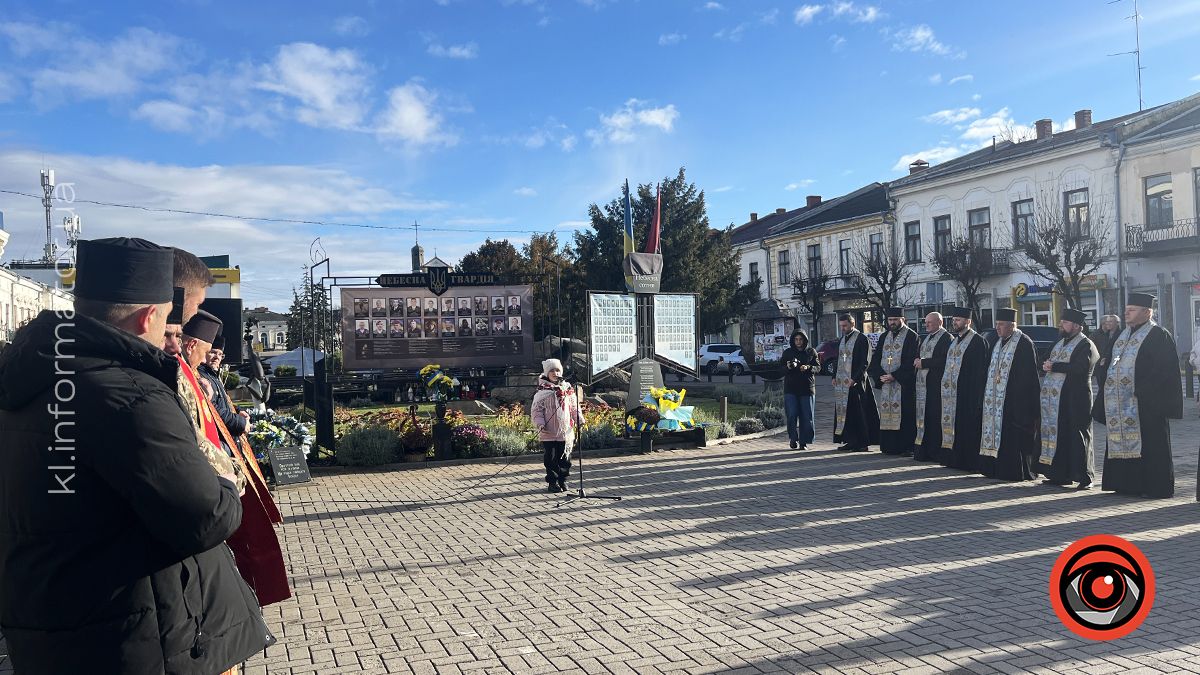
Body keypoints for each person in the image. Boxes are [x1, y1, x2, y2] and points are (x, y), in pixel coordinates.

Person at [0, 237, 268, 673]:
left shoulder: (29, 379)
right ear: (149, 316)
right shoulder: (129, 395)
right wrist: (224, 479)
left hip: (53, 631)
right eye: (169, 321)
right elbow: (203, 516)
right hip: (138, 638)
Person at [182, 311, 291, 608]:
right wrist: (240, 424)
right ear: (193, 346)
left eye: (217, 353)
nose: (213, 357)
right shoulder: (195, 378)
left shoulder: (207, 376)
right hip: (210, 471)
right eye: (210, 351)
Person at [1094, 293, 1183, 499]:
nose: (1126, 313)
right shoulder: (1122, 336)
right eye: (1126, 309)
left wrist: (1142, 390)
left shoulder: (1159, 335)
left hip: (1146, 402)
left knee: (1151, 445)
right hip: (1120, 402)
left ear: (1147, 312)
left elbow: (1164, 369)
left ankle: (1154, 487)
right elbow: (1108, 361)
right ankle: (1125, 484)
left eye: (1131, 309)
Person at [1038, 308, 1100, 489]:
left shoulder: (1086, 344)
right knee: (1061, 435)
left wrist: (1054, 365)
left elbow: (1081, 368)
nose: (1061, 325)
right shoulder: (1059, 342)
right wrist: (1045, 364)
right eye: (1061, 322)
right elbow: (1043, 358)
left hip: (1076, 397)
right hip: (1057, 401)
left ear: (1076, 326)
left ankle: (1085, 477)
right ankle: (1059, 474)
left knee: (1078, 436)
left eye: (1065, 323)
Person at [977, 308, 1040, 481]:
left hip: (1015, 400)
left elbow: (1029, 375)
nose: (997, 328)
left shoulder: (1024, 343)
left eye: (1001, 325)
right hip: (996, 399)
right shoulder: (997, 342)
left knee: (1013, 436)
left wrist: (1017, 397)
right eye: (996, 324)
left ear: (1012, 325)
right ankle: (994, 469)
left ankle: (1016, 472)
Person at [939, 307, 990, 471]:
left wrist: (975, 396)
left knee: (968, 428)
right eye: (954, 320)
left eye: (958, 320)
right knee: (954, 427)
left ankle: (969, 462)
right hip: (952, 394)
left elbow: (980, 371)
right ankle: (954, 459)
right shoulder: (954, 340)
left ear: (968, 322)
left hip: (968, 393)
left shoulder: (978, 341)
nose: (955, 322)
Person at [868, 308, 919, 456]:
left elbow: (911, 361)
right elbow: (876, 359)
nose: (892, 323)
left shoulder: (911, 336)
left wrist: (895, 376)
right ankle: (888, 446)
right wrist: (881, 376)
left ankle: (906, 447)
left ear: (902, 319)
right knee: (887, 412)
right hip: (887, 384)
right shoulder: (884, 336)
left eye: (895, 320)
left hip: (903, 385)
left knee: (905, 415)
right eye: (890, 320)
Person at [531, 358, 583, 493]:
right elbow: (537, 411)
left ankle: (563, 479)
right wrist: (540, 423)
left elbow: (574, 407)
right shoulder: (542, 391)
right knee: (551, 458)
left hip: (565, 431)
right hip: (549, 432)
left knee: (565, 458)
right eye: (552, 370)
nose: (555, 373)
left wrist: (579, 419)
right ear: (547, 373)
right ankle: (552, 482)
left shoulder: (568, 390)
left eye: (558, 370)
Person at [832, 314, 879, 452]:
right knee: (847, 413)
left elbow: (865, 362)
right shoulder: (842, 340)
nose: (842, 328)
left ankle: (863, 442)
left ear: (852, 324)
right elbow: (837, 359)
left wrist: (855, 378)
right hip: (842, 384)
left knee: (860, 413)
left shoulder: (862, 339)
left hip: (857, 383)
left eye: (845, 325)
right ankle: (850, 441)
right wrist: (833, 376)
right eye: (841, 326)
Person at [913, 312, 952, 462]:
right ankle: (924, 451)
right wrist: (917, 361)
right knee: (924, 419)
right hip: (923, 387)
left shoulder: (946, 338)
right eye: (926, 322)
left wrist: (924, 363)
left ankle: (935, 451)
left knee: (935, 419)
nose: (926, 325)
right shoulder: (927, 337)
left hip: (936, 386)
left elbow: (944, 360)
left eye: (930, 322)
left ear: (939, 322)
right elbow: (920, 355)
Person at [781, 329, 819, 450]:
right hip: (791, 389)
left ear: (805, 340)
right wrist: (787, 367)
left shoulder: (811, 352)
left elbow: (818, 367)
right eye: (796, 339)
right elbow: (780, 369)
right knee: (791, 414)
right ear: (793, 340)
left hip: (807, 389)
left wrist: (808, 367)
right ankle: (793, 438)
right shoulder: (787, 352)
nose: (798, 342)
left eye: (801, 339)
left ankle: (804, 442)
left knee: (807, 416)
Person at [1093, 314, 1121, 388]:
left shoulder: (1122, 335)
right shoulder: (1103, 334)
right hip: (1101, 367)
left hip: (1114, 366)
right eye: (1107, 321)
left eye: (1110, 322)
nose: (1108, 323)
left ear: (1117, 323)